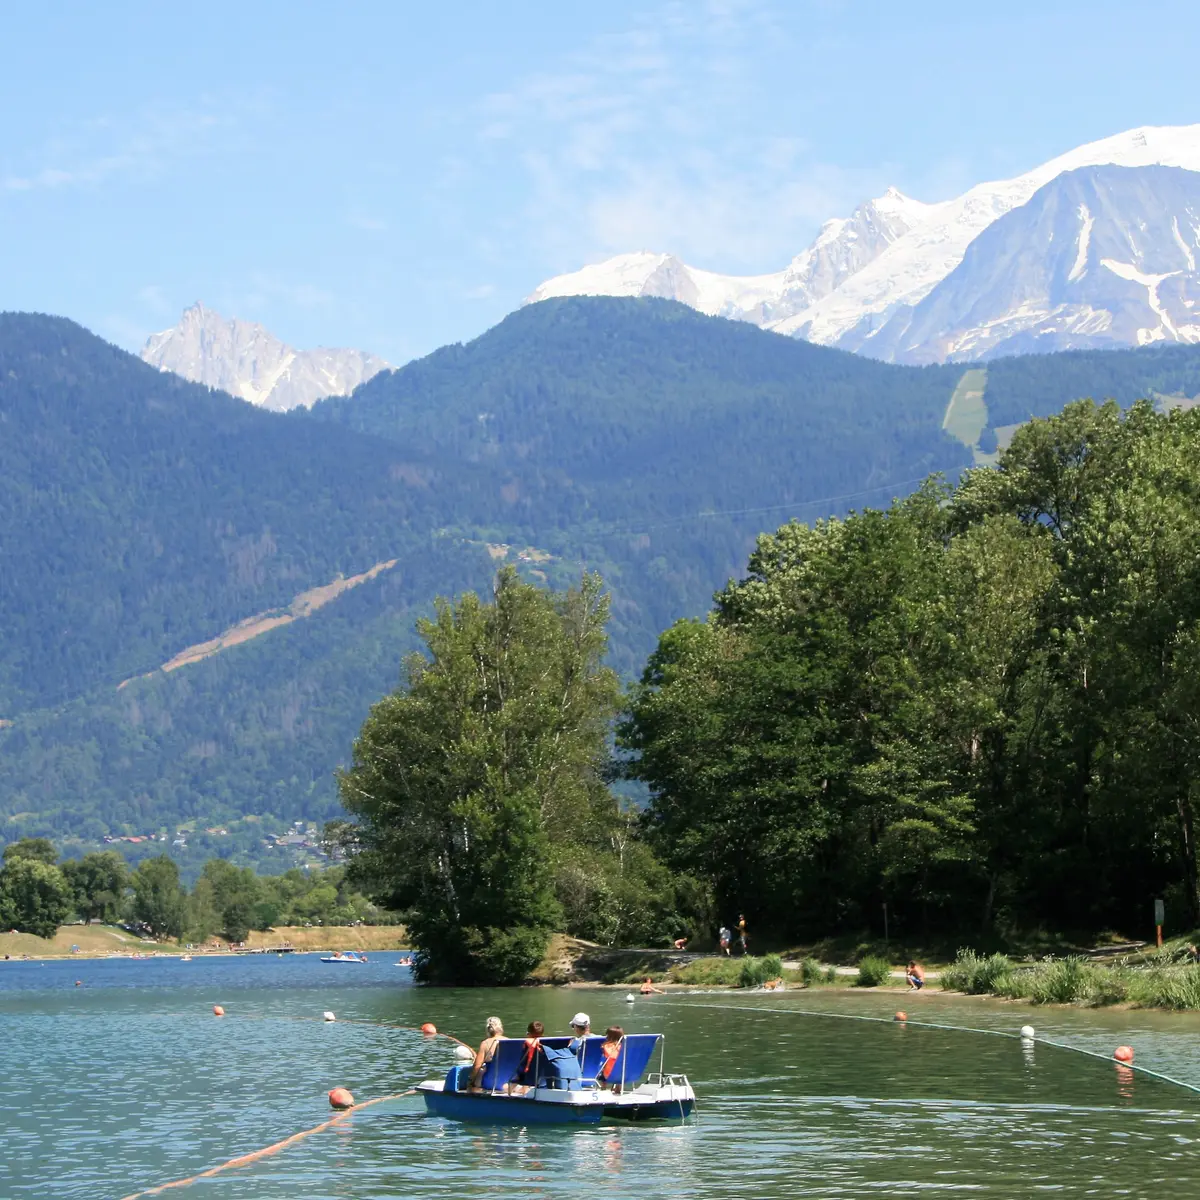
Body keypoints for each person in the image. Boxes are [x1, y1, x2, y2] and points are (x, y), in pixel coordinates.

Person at [469, 1016, 504, 1091]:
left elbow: (477, 1066)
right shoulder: (510, 1041)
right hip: (507, 1082)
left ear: (488, 1029)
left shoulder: (485, 1043)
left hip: (491, 1083)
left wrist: (470, 1081)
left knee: (477, 1074)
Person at [513, 1020, 544, 1093]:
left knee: (505, 1086)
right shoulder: (545, 1045)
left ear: (529, 1034)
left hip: (528, 1081)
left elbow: (521, 1068)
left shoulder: (527, 1045)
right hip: (543, 1080)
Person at [596, 1025, 625, 1092]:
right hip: (623, 1074)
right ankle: (618, 1088)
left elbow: (604, 1059)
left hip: (608, 1075)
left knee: (603, 1068)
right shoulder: (624, 1047)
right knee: (619, 1067)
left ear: (609, 1036)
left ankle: (603, 1088)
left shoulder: (606, 1046)